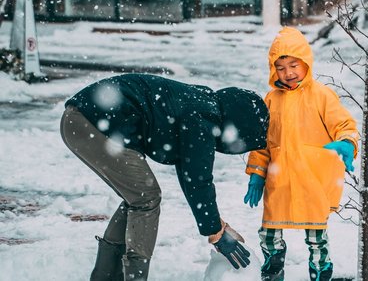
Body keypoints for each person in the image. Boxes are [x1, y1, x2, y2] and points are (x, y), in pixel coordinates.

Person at [60, 73, 269, 280]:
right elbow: (198, 180)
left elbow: (190, 174)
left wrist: (215, 226)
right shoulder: (203, 119)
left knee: (137, 197)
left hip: (82, 118)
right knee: (145, 198)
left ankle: (107, 275)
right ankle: (128, 277)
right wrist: (215, 231)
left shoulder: (201, 105)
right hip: (91, 121)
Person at [243, 27, 360, 281]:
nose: (289, 73)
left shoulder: (322, 96)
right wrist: (256, 173)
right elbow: (262, 142)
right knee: (269, 232)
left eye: (294, 65)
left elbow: (345, 125)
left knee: (316, 236)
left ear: (306, 62)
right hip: (279, 180)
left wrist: (347, 143)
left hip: (312, 180)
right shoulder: (271, 100)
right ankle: (273, 269)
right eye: (281, 68)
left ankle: (321, 272)